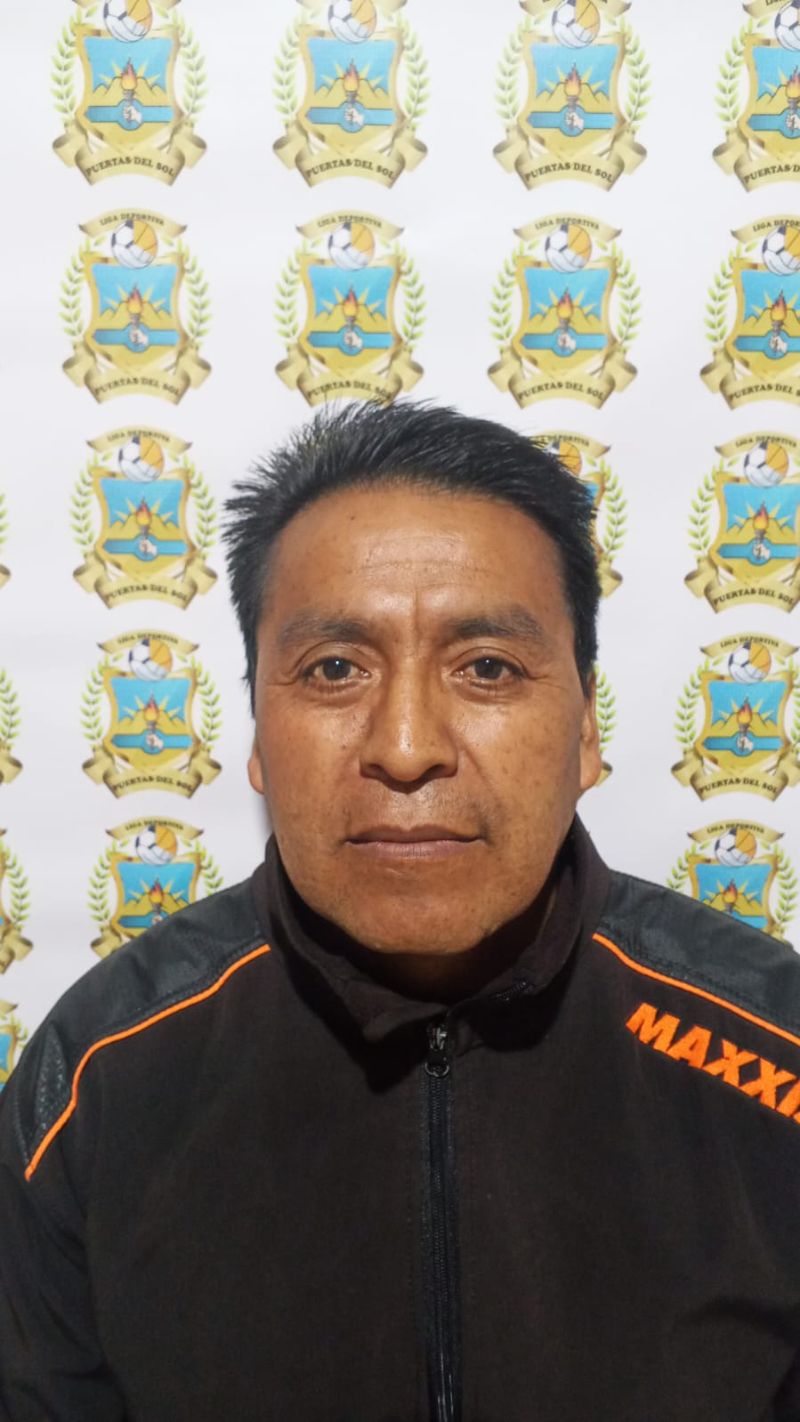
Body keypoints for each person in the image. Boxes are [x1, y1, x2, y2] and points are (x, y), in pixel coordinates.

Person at [2, 402, 800, 1422]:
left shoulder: (771, 1046)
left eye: (487, 668)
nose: (407, 746)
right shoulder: (97, 1078)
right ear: (257, 734)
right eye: (334, 670)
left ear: (586, 733)